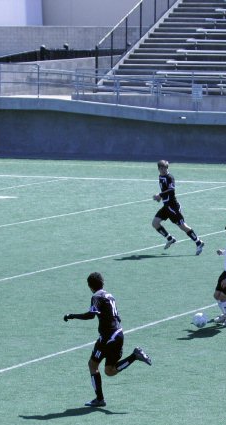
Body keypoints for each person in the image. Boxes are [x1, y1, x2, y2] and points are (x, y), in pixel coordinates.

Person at [64, 272, 151, 408]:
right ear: (102, 282)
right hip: (119, 334)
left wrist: (72, 316)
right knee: (109, 371)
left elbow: (91, 315)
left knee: (93, 365)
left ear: (90, 286)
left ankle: (99, 399)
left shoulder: (96, 296)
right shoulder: (110, 296)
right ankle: (134, 356)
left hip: (107, 337)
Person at [152, 159, 204, 255]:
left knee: (183, 226)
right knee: (155, 223)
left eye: (165, 168)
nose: (163, 170)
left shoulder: (170, 177)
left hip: (173, 207)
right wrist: (161, 198)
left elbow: (171, 190)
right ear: (158, 169)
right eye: (161, 168)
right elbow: (165, 189)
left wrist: (160, 195)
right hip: (166, 206)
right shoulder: (161, 176)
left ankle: (199, 242)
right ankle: (170, 238)